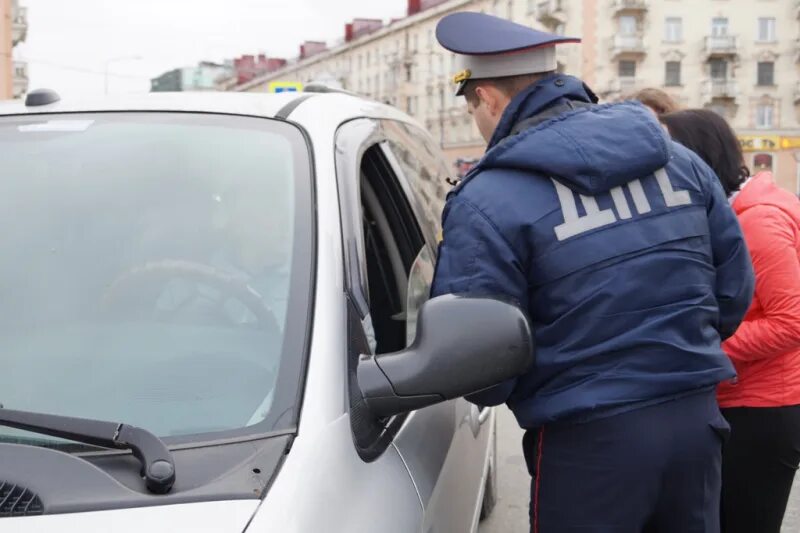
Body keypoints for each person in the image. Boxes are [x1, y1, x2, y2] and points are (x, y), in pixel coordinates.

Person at [431, 12, 755, 532]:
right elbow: (735, 290)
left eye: (474, 109)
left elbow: (479, 362)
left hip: (586, 444)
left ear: (488, 98)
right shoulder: (680, 163)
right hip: (695, 425)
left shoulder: (488, 198)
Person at [661, 109, 800, 533]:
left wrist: (703, 348)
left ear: (698, 157)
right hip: (741, 401)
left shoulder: (756, 220)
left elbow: (791, 319)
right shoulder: (731, 212)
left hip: (762, 411)